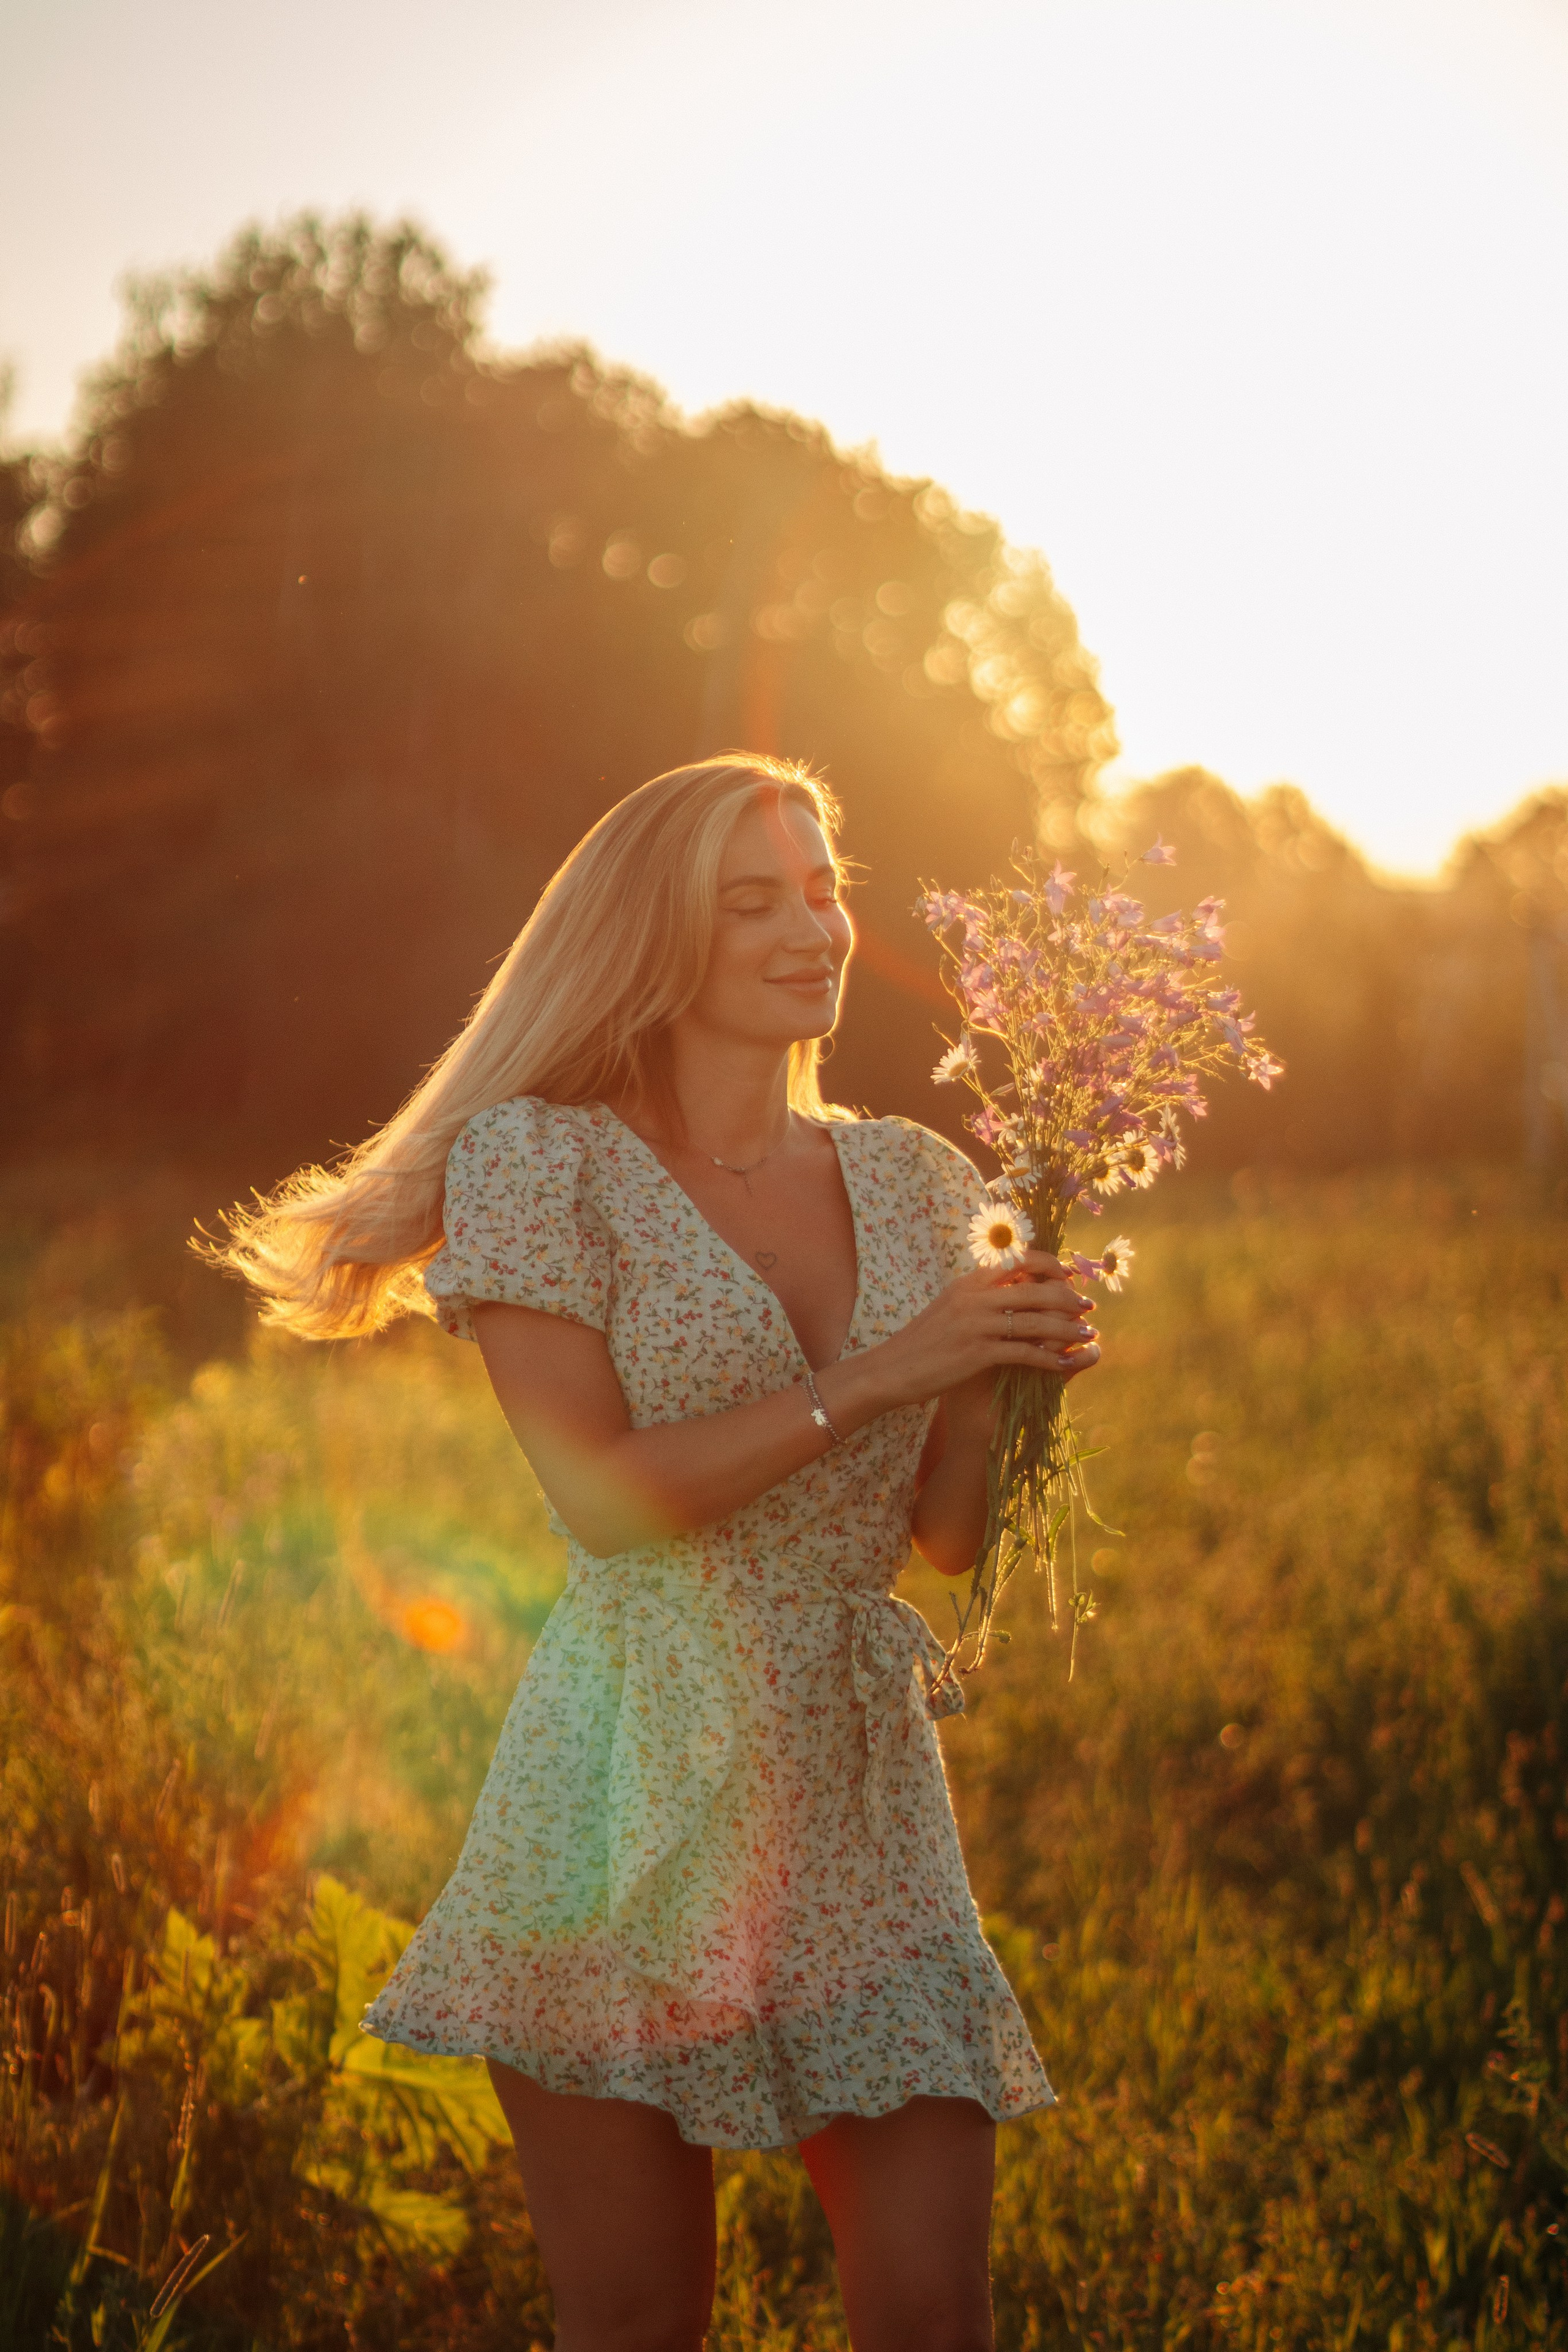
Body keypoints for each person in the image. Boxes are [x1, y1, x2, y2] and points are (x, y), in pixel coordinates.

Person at [213, 754, 1101, 2352]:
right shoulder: (544, 1167)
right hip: (617, 1791)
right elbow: (604, 1500)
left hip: (859, 1797)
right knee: (634, 2328)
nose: (811, 927)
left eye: (824, 887)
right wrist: (893, 1372)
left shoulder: (922, 1177)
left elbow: (947, 1537)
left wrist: (1001, 1370)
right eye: (753, 899)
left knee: (932, 2313)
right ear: (658, 937)